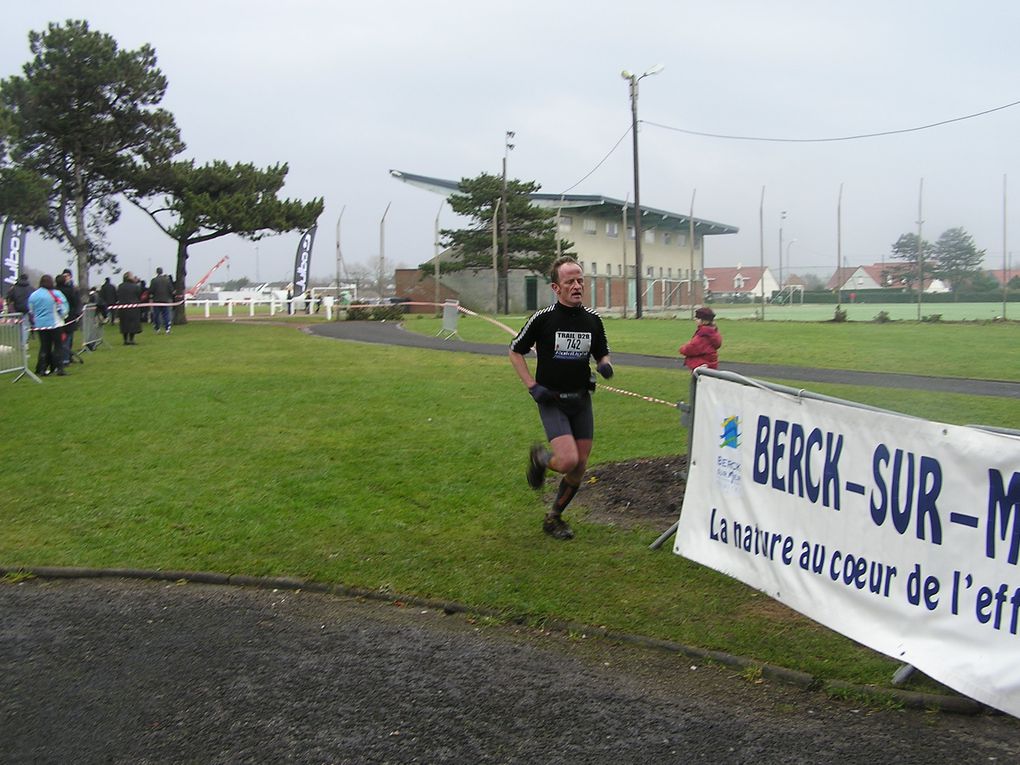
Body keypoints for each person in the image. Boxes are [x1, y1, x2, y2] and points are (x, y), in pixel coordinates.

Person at [509, 256, 613, 540]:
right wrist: (532, 386)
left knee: (580, 466)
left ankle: (554, 518)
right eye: (570, 281)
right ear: (556, 287)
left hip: (581, 400)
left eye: (580, 280)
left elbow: (601, 351)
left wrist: (604, 363)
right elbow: (515, 351)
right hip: (552, 400)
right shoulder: (543, 319)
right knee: (567, 461)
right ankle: (542, 458)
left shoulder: (593, 320)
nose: (577, 286)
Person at [27, 274, 68, 376]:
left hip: (40, 325)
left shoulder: (34, 295)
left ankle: (42, 368)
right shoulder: (56, 294)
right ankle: (59, 368)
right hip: (55, 324)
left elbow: (31, 310)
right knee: (58, 346)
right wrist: (63, 316)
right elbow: (64, 308)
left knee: (44, 346)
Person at [679, 306, 722, 372]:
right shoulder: (713, 332)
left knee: (698, 381)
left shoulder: (704, 334)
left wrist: (682, 349)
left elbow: (692, 348)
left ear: (704, 321)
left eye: (697, 318)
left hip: (702, 365)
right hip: (709, 364)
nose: (695, 319)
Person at [56, 270, 83, 368]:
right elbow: (75, 302)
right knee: (66, 338)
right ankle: (65, 359)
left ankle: (67, 356)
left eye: (67, 276)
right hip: (67, 316)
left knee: (68, 338)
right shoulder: (69, 290)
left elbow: (77, 302)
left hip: (67, 316)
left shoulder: (72, 289)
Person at [5, 273, 33, 348]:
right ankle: (24, 343)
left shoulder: (14, 288)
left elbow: (9, 297)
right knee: (26, 326)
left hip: (17, 309)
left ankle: (21, 342)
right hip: (27, 309)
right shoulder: (31, 288)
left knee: (19, 326)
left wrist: (9, 304)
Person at [116, 272, 143, 345]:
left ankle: (125, 340)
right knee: (133, 324)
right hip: (133, 308)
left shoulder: (120, 286)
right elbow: (139, 294)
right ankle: (131, 339)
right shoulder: (135, 286)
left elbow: (118, 295)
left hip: (123, 307)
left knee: (124, 324)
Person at [149, 267, 175, 334]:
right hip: (165, 300)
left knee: (156, 315)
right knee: (166, 315)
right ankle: (167, 329)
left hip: (156, 300)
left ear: (156, 272)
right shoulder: (167, 280)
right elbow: (171, 290)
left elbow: (151, 290)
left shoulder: (154, 280)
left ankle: (157, 328)